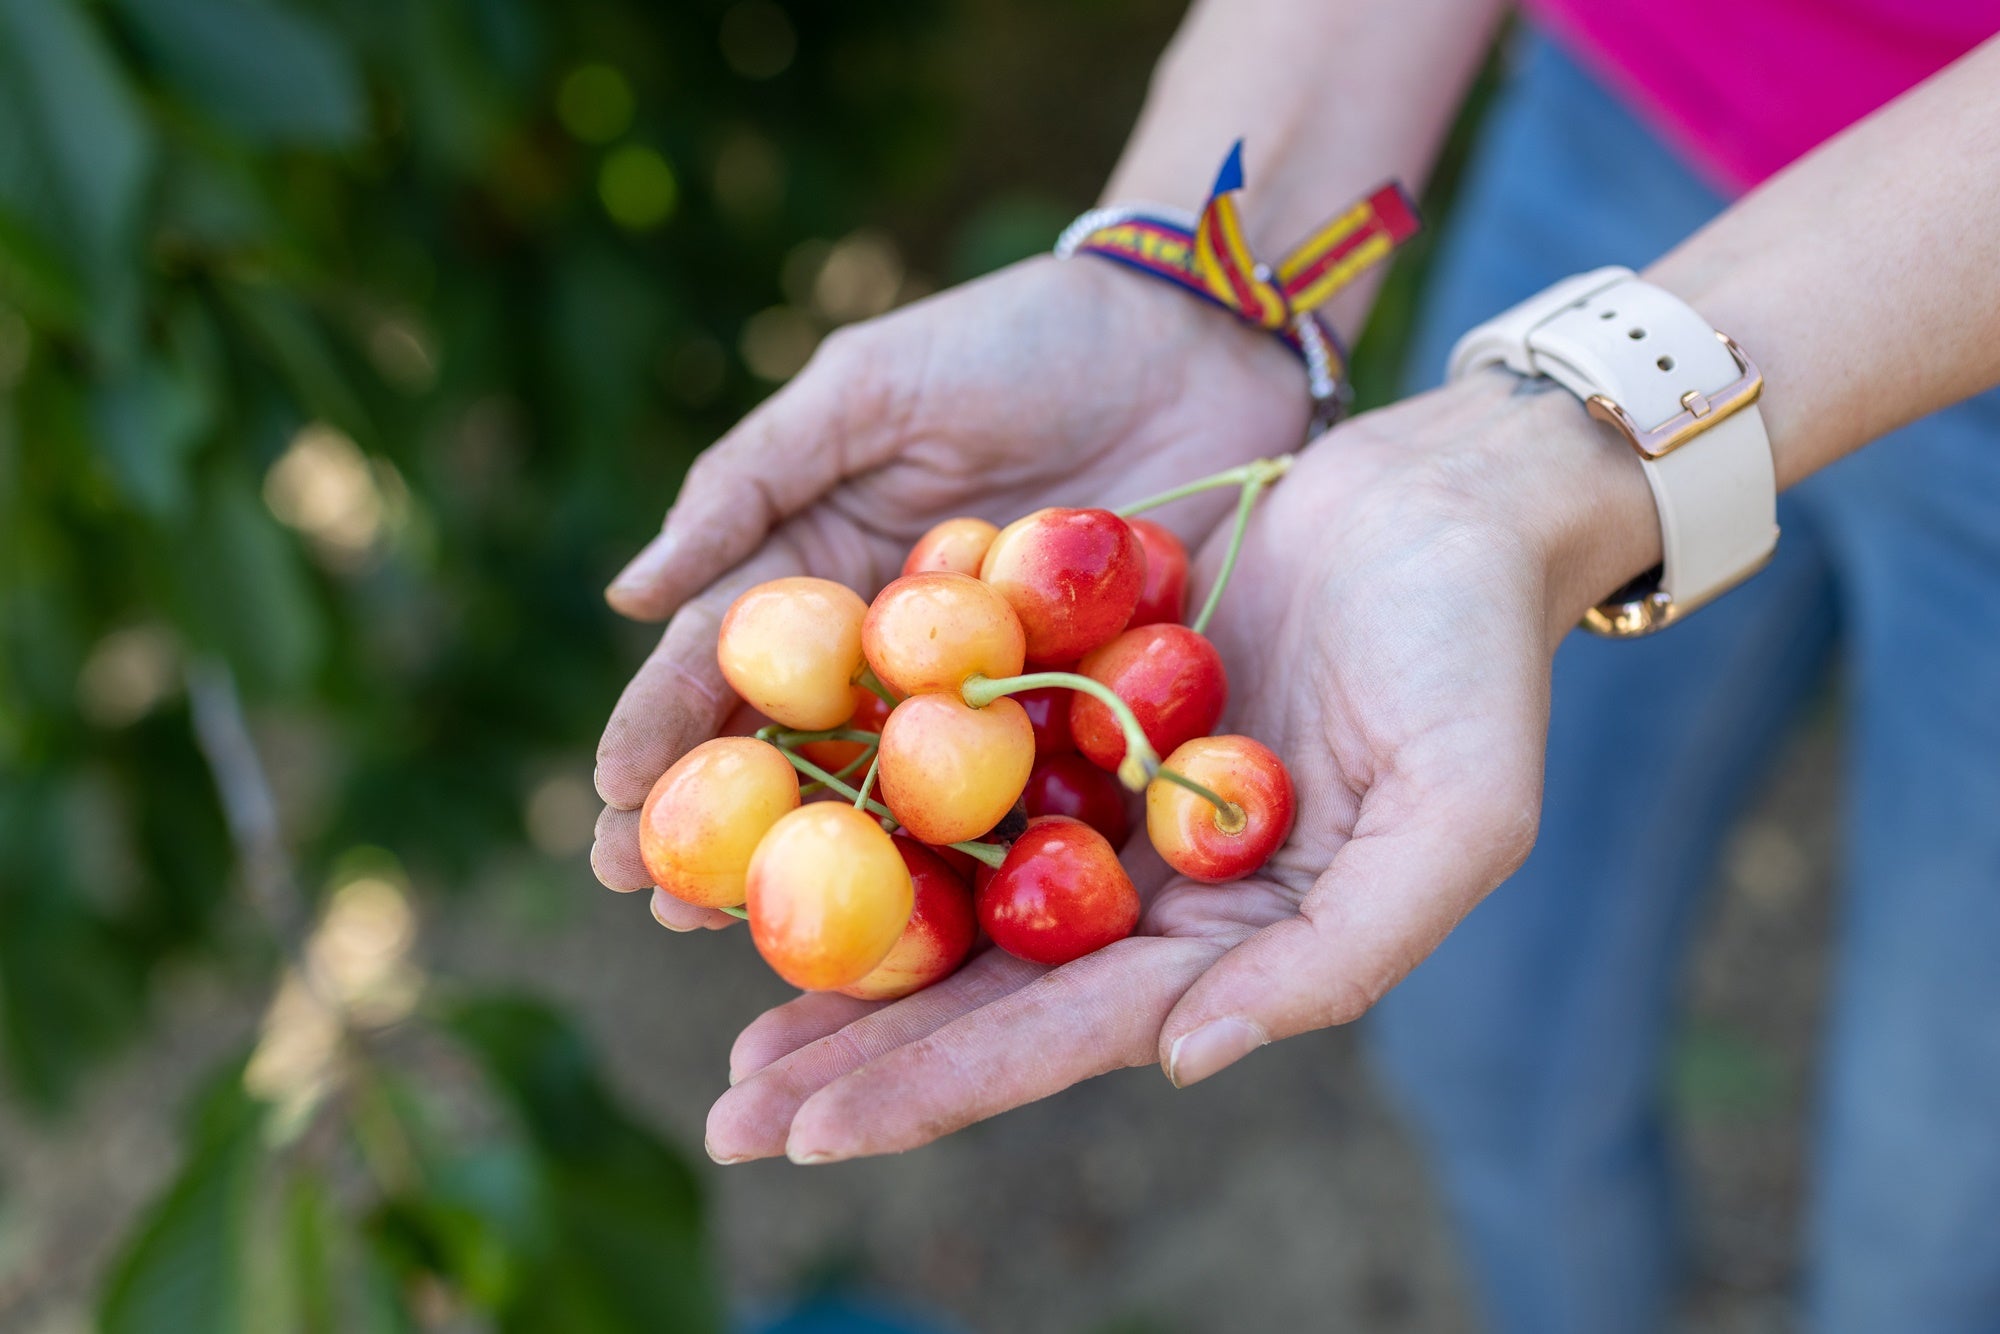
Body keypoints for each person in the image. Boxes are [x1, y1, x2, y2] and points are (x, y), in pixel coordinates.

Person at [592, 1, 2000, 1327]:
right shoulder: (999, 702)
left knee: (1933, 1194)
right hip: (1633, 104)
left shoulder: (993, 716)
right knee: (1488, 1048)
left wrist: (1537, 455)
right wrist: (1197, 292)